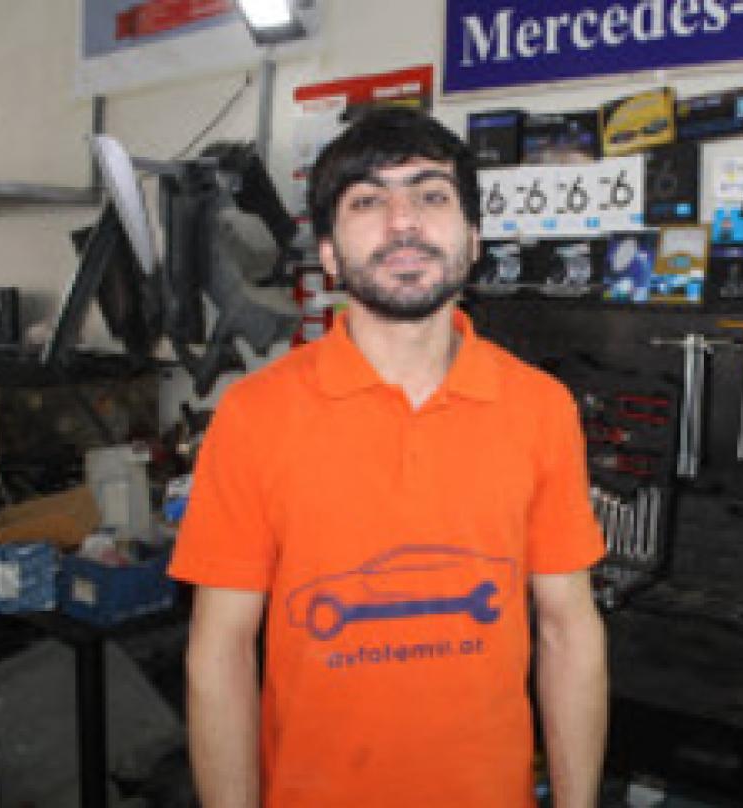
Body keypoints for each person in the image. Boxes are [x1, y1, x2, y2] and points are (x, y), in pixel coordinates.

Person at [170, 105, 608, 808]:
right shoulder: (254, 417)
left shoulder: (541, 408)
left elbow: (569, 629)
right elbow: (219, 653)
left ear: (473, 239)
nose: (403, 221)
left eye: (431, 195)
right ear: (329, 254)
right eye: (368, 201)